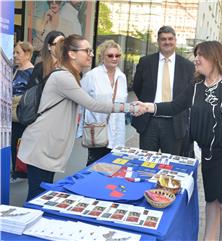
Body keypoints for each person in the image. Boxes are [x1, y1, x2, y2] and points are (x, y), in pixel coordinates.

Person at [135, 41, 222, 241]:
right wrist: (149, 107)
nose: (196, 59)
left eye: (201, 55)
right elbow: (175, 106)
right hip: (209, 155)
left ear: (215, 57)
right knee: (211, 201)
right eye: (196, 54)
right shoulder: (196, 86)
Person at [17, 34, 136, 201]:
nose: (91, 55)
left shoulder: (71, 76)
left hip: (47, 146)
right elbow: (93, 104)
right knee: (37, 196)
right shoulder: (63, 77)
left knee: (42, 195)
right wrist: (130, 107)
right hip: (41, 145)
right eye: (87, 51)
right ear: (72, 54)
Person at [131, 26, 195, 156]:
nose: (167, 42)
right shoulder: (145, 62)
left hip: (175, 124)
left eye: (170, 39)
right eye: (163, 39)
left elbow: (189, 94)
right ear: (158, 41)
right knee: (146, 162)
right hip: (149, 122)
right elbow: (137, 87)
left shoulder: (187, 66)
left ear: (175, 40)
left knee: (170, 165)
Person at [77, 40, 128, 166]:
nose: (114, 58)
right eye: (110, 55)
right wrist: (80, 128)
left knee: (113, 167)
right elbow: (80, 102)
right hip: (97, 130)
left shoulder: (122, 77)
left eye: (117, 55)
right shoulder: (92, 76)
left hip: (117, 132)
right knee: (94, 166)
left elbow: (122, 104)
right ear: (102, 57)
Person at [11, 41, 34, 183]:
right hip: (11, 114)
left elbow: (32, 96)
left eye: (18, 53)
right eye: (14, 52)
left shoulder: (31, 72)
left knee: (21, 142)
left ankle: (22, 172)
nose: (15, 56)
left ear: (27, 54)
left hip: (22, 114)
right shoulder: (14, 69)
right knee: (14, 141)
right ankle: (16, 169)